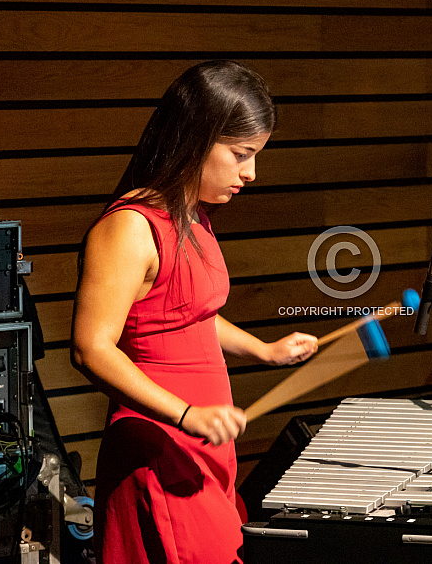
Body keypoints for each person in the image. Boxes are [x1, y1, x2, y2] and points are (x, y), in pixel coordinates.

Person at [70, 60, 318, 564]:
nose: (251, 173)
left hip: (205, 448)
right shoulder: (130, 228)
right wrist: (186, 414)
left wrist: (263, 350)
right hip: (159, 446)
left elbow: (187, 313)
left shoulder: (193, 216)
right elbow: (90, 348)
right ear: (195, 139)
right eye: (241, 154)